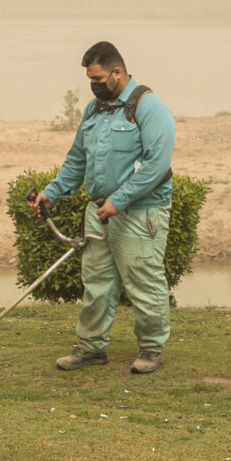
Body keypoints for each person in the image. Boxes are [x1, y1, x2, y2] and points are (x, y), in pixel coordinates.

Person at [30, 41, 176, 374]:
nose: (93, 85)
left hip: (140, 215)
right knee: (96, 284)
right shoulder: (94, 110)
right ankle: (91, 348)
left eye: (98, 78)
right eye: (89, 80)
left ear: (117, 72)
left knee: (144, 282)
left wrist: (119, 201)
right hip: (98, 214)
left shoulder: (150, 108)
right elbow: (77, 159)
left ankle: (152, 350)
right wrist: (52, 192)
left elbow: (157, 166)